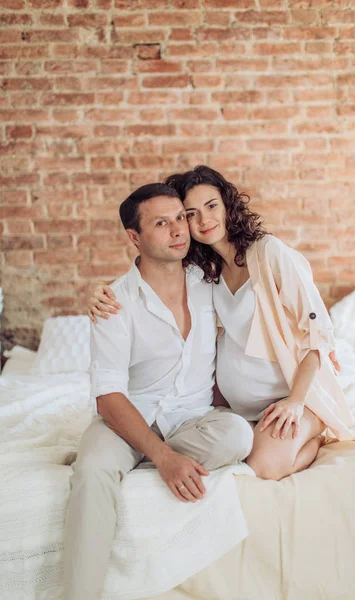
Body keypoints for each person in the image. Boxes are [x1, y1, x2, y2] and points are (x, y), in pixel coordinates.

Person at [88, 166, 355, 484]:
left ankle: (316, 434)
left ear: (229, 205)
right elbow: (150, 271)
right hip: (239, 411)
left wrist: (295, 402)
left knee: (264, 468)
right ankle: (148, 450)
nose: (203, 221)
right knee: (242, 448)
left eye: (212, 206)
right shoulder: (206, 272)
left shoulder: (269, 254)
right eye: (191, 213)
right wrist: (97, 293)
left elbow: (318, 333)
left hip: (290, 399)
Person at [64, 182, 254, 600]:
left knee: (239, 434)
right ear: (134, 237)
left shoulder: (211, 280)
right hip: (125, 420)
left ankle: (137, 462)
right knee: (94, 471)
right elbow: (108, 395)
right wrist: (164, 457)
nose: (179, 230)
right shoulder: (115, 301)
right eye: (161, 223)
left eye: (181, 218)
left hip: (193, 419)